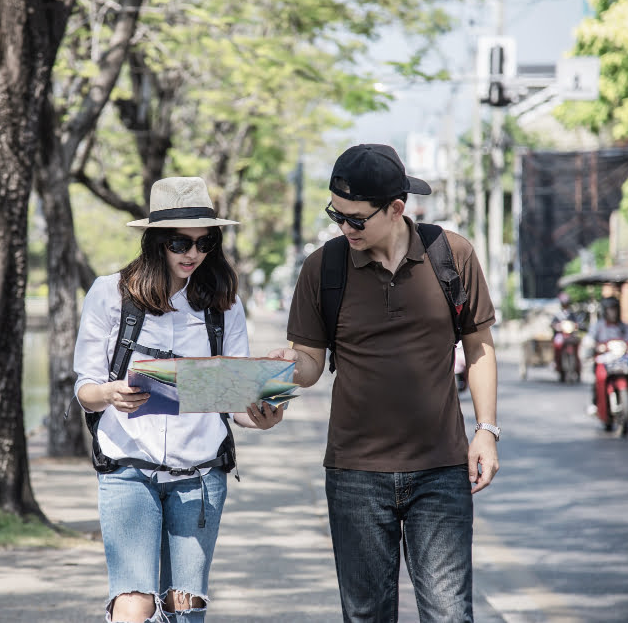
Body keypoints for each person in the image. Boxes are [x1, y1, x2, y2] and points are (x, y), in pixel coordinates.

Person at [267, 143, 499, 622]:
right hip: (355, 475)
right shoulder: (323, 268)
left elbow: (478, 346)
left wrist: (486, 430)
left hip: (440, 470)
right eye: (337, 214)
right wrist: (279, 373)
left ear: (396, 208)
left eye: (356, 219)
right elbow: (310, 364)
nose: (343, 227)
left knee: (450, 614)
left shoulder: (451, 255)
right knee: (367, 617)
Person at [73, 176, 284, 623]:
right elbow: (86, 390)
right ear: (154, 242)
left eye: (205, 242)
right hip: (128, 467)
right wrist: (109, 394)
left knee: (184, 608)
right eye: (179, 242)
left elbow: (234, 397)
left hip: (200, 475)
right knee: (134, 601)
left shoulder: (224, 304)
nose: (193, 253)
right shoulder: (110, 294)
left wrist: (261, 415)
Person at [583, 295, 628, 416]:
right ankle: (595, 402)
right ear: (604, 311)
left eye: (614, 309)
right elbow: (589, 339)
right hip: (605, 359)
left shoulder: (625, 327)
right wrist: (594, 345)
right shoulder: (598, 326)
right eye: (610, 309)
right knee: (597, 377)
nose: (613, 312)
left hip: (622, 359)